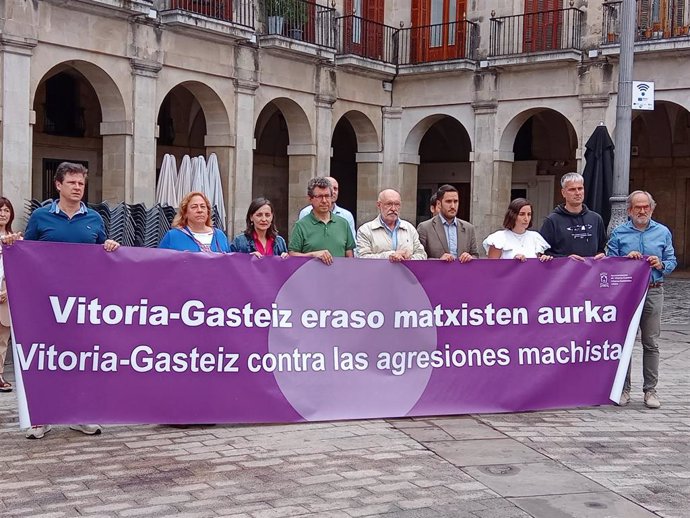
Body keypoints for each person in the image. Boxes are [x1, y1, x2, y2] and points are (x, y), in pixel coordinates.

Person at [9, 162, 120, 439]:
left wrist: (110, 247)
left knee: (81, 358)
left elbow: (102, 254)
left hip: (82, 303)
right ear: (58, 185)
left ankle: (80, 413)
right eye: (72, 183)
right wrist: (13, 244)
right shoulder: (40, 217)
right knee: (47, 357)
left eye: (81, 183)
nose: (77, 188)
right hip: (46, 301)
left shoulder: (94, 219)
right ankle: (42, 415)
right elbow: (26, 250)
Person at [607, 190, 676, 409]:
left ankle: (650, 391)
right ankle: (623, 389)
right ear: (629, 210)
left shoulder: (663, 232)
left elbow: (672, 259)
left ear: (652, 208)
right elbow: (609, 260)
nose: (642, 210)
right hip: (628, 294)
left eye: (646, 206)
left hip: (654, 290)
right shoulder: (619, 233)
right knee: (625, 341)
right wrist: (625, 260)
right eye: (638, 207)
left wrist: (661, 264)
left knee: (651, 342)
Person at [539, 172, 606, 260]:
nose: (577, 193)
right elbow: (544, 253)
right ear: (563, 193)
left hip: (591, 272)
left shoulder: (596, 219)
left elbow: (601, 248)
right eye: (572, 189)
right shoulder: (552, 220)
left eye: (580, 188)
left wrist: (601, 255)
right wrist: (567, 259)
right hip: (563, 272)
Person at [289, 177, 355, 265]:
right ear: (310, 198)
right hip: (311, 277)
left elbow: (349, 255)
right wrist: (313, 255)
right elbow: (292, 255)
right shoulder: (301, 225)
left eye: (327, 196)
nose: (324, 201)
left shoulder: (343, 223)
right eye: (319, 196)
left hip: (339, 277)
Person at [357, 189, 427, 261]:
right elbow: (362, 258)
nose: (393, 209)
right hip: (378, 272)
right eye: (389, 204)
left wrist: (407, 258)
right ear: (379, 205)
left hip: (404, 272)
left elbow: (422, 255)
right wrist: (390, 256)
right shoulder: (366, 230)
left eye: (397, 204)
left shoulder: (409, 228)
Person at [417, 184, 478, 262]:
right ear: (439, 204)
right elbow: (419, 257)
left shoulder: (469, 228)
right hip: (437, 273)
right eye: (448, 201)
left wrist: (470, 257)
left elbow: (475, 255)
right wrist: (438, 261)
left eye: (455, 201)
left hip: (462, 273)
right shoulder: (425, 228)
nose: (453, 206)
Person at [483, 198, 553, 262]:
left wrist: (544, 259)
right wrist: (513, 263)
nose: (526, 218)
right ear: (512, 215)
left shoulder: (535, 237)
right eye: (522, 214)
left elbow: (537, 267)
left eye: (529, 214)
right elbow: (491, 268)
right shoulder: (498, 238)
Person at [159, 192, 231, 253]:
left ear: (208, 212)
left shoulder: (220, 236)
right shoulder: (172, 237)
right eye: (194, 207)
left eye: (203, 206)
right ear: (185, 213)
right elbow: (161, 265)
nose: (199, 210)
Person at [298, 176, 356, 240]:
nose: (333, 192)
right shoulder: (306, 212)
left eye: (335, 188)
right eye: (331, 188)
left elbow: (351, 244)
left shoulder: (346, 215)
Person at [0, 197, 17, 392]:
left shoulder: (16, 239)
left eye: (6, 210)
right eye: (0, 210)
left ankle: (0, 375)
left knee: (3, 338)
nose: (3, 213)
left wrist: (6, 290)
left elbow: (20, 270)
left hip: (6, 295)